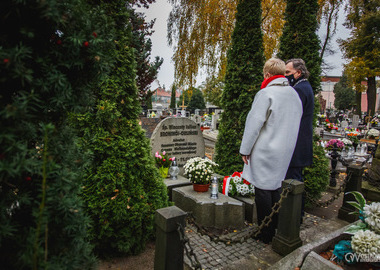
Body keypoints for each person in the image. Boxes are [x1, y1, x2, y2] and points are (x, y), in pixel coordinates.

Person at [240, 58, 303, 244]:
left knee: (262, 190)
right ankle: (275, 226)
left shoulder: (266, 93)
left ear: (267, 74)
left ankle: (264, 232)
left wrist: (245, 149)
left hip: (265, 149)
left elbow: (253, 125)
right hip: (285, 149)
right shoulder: (293, 93)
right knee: (276, 187)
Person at [284, 59, 315, 220]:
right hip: (300, 143)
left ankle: (295, 216)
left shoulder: (300, 90)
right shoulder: (303, 86)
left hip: (297, 144)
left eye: (288, 72)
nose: (285, 75)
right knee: (296, 179)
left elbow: (292, 116)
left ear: (298, 72)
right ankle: (296, 214)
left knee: (293, 180)